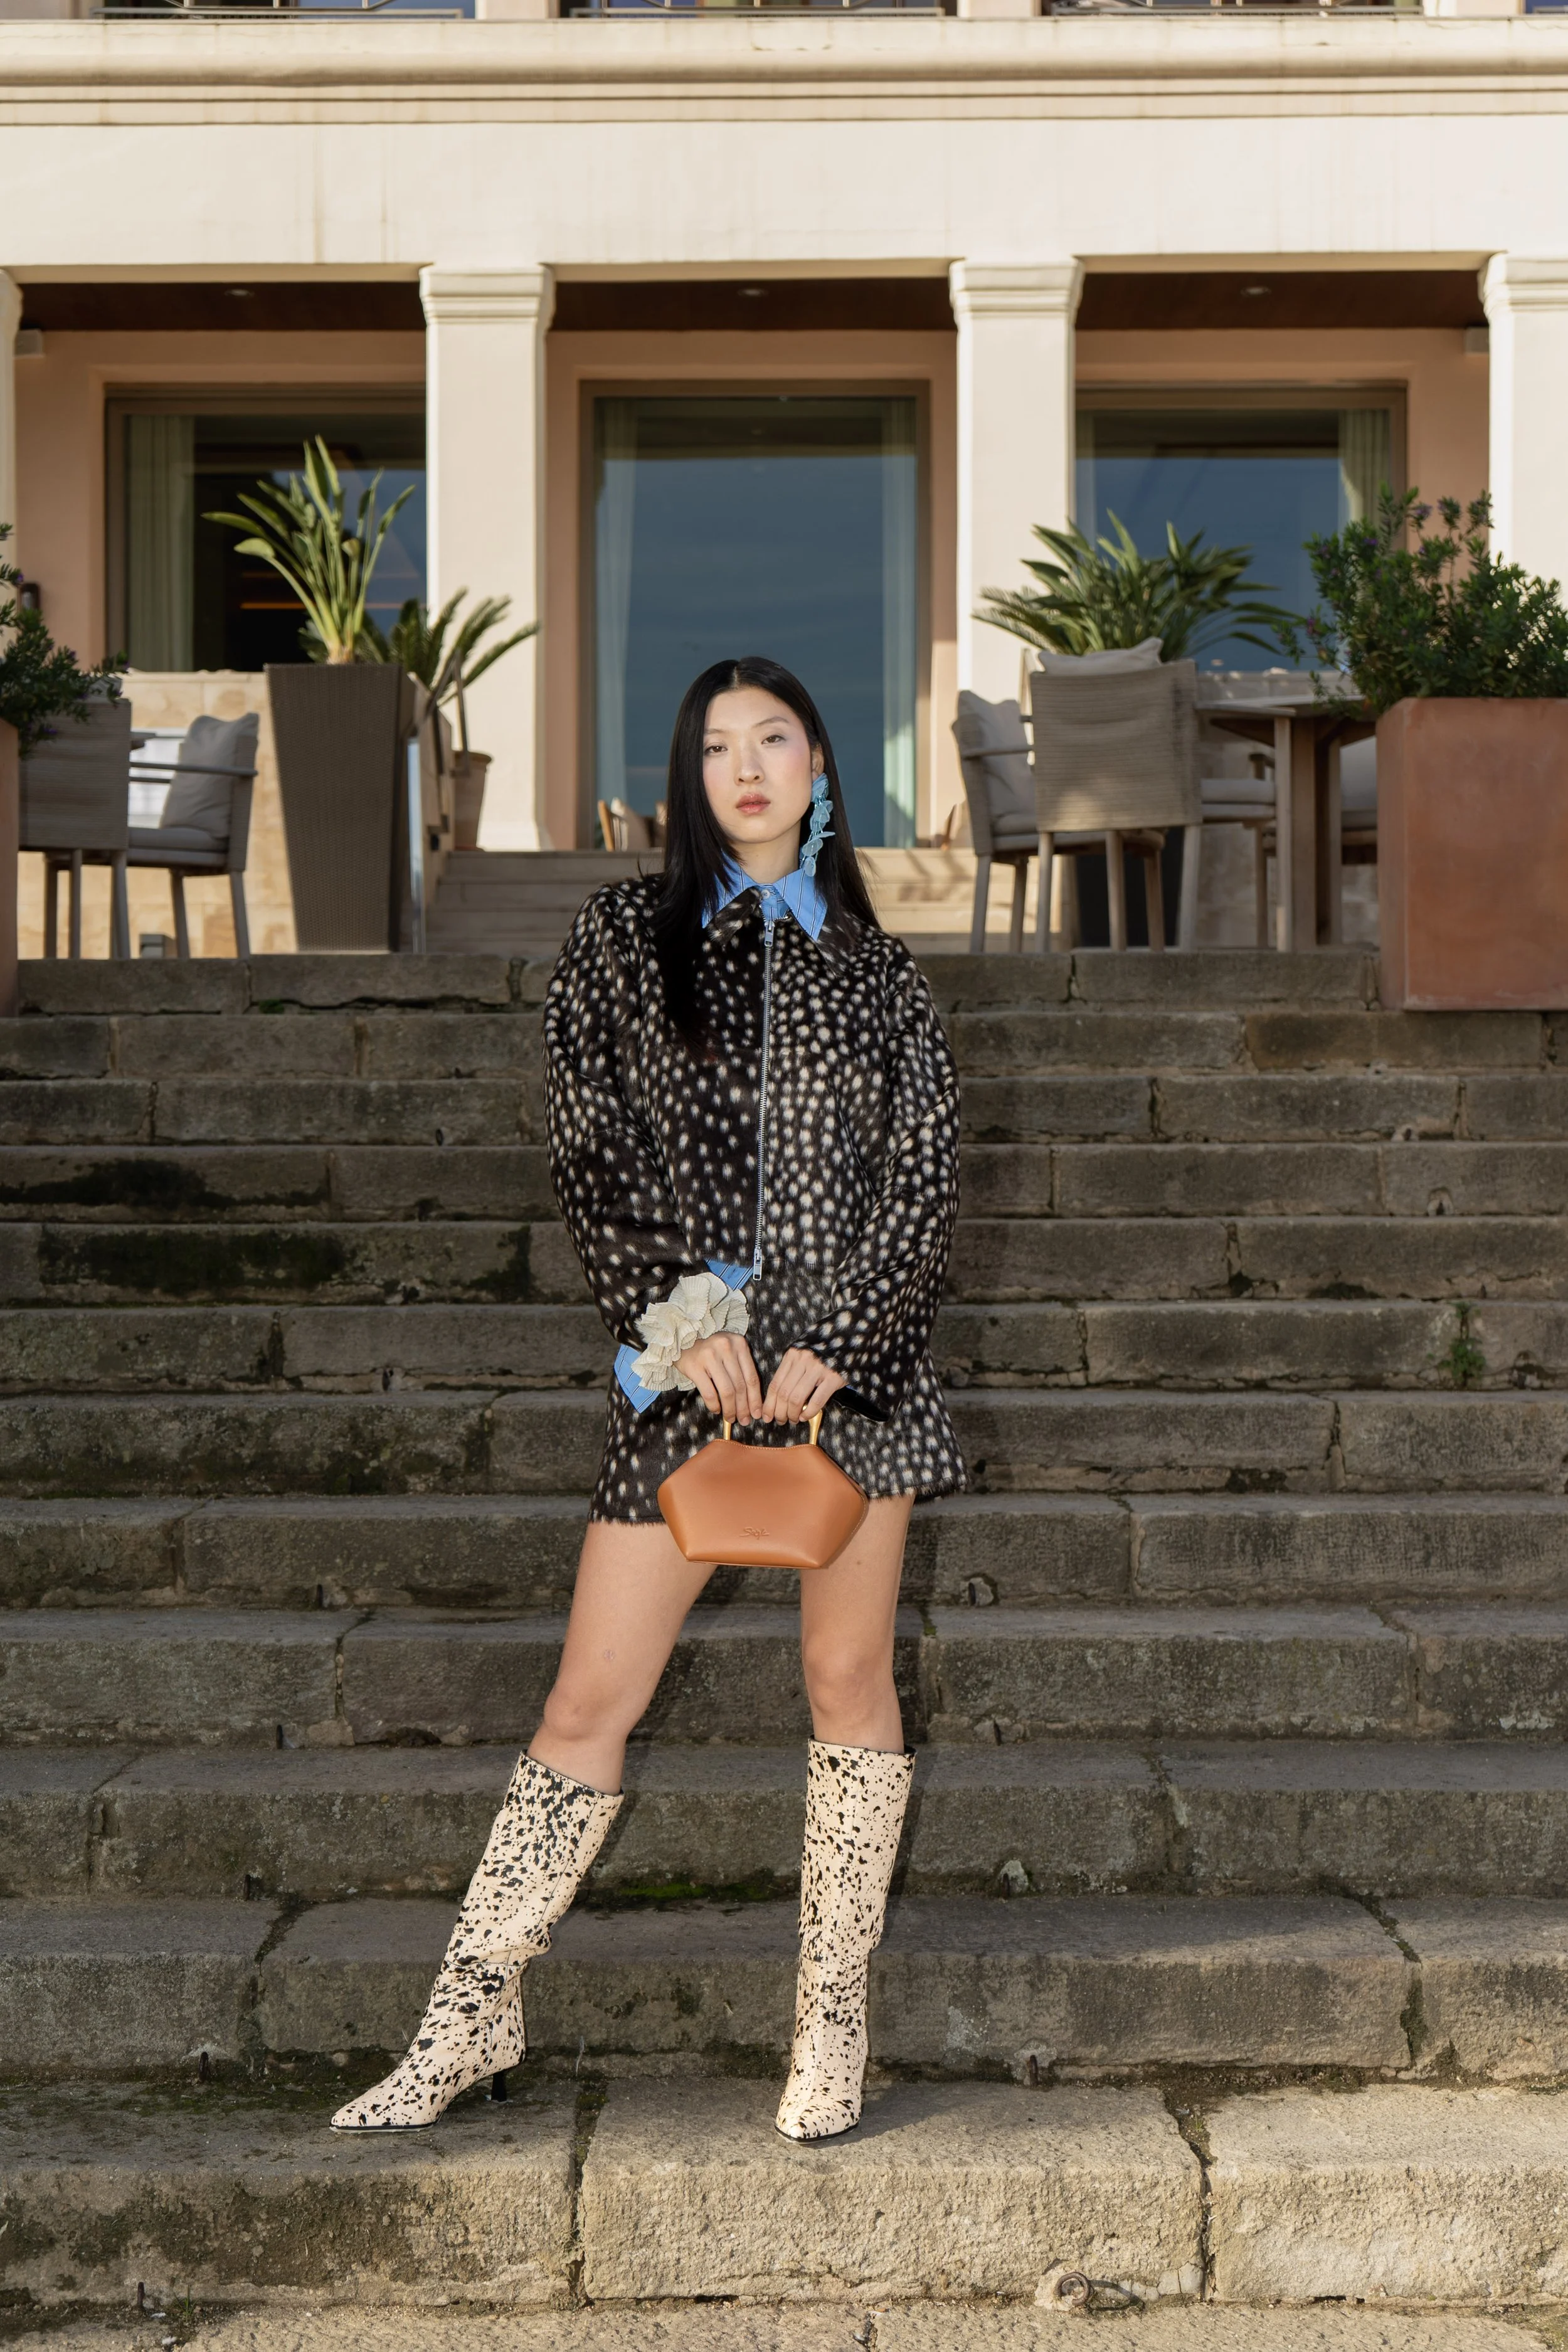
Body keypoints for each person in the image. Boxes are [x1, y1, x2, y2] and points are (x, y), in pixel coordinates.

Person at [332, 655, 965, 2143]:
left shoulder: (882, 977)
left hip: (848, 1391)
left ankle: (828, 2028)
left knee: (846, 1686)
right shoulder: (622, 938)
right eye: (714, 746)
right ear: (686, 778)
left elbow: (921, 1186)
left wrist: (852, 1343)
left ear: (819, 765)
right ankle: (464, 2017)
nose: (744, 767)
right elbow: (589, 1146)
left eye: (774, 739)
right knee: (586, 1697)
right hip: (687, 1376)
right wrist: (684, 1326)